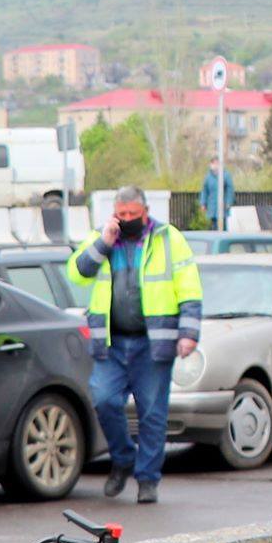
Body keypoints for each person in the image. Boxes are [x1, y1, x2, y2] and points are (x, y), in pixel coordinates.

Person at [73, 186, 202, 503]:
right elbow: (78, 273)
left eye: (133, 214)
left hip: (152, 343)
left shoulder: (168, 238)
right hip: (112, 343)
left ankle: (147, 479)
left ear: (145, 212)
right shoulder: (102, 237)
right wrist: (104, 242)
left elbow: (189, 287)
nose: (127, 219)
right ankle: (123, 458)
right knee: (104, 400)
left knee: (152, 414)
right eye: (122, 214)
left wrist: (188, 333)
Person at [199, 157, 234, 228]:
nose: (215, 165)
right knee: (213, 226)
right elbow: (204, 191)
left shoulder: (226, 175)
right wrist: (203, 203)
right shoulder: (208, 177)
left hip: (223, 206)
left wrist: (228, 202)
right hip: (212, 206)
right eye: (213, 163)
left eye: (217, 163)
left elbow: (230, 190)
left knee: (223, 225)